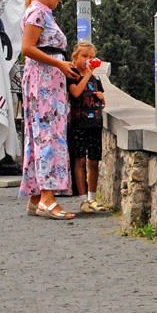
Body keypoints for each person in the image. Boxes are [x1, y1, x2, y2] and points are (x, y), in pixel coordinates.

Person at [19, 0, 79, 220]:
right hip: (43, 82)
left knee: (39, 136)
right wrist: (58, 65)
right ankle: (47, 196)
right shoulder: (37, 13)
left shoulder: (43, 14)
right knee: (48, 136)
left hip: (48, 80)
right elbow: (27, 48)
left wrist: (67, 66)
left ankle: (36, 196)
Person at [67, 41, 107, 213]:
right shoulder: (72, 74)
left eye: (91, 57)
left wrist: (102, 97)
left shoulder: (96, 79)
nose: (88, 60)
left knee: (93, 160)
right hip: (78, 123)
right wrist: (86, 74)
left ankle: (92, 197)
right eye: (84, 56)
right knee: (79, 160)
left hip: (94, 123)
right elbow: (75, 92)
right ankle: (83, 199)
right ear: (75, 57)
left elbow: (102, 99)